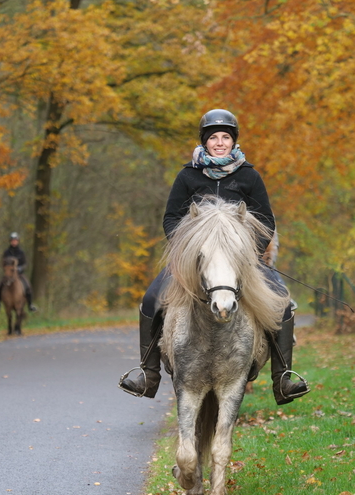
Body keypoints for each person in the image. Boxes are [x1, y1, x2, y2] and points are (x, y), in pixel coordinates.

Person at [118, 109, 310, 405]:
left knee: (281, 300)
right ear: (205, 142)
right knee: (151, 298)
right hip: (195, 260)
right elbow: (171, 218)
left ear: (233, 142)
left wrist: (249, 253)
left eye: (225, 137)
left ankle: (282, 378)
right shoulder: (187, 176)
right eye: (214, 138)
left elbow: (267, 221)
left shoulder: (249, 176)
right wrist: (186, 248)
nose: (220, 142)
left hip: (241, 259)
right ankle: (149, 372)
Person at [0, 232, 38, 314]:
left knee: (28, 286)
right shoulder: (6, 252)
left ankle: (30, 305)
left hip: (19, 274)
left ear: (18, 241)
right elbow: (2, 263)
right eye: (12, 241)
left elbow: (25, 264)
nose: (14, 242)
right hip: (8, 274)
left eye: (15, 240)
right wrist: (6, 269)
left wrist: (19, 268)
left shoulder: (21, 252)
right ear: (10, 241)